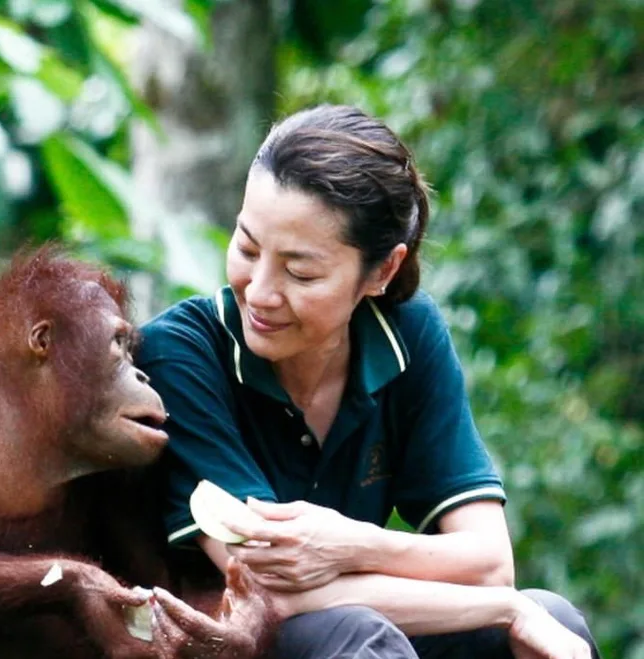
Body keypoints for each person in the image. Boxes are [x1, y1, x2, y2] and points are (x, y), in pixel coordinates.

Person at [136, 104, 599, 659]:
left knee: (554, 619)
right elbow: (265, 590)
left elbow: (489, 562)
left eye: (300, 272)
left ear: (382, 271)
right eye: (247, 247)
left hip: (356, 622)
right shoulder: (180, 352)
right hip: (230, 638)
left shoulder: (408, 332)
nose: (259, 291)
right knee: (370, 635)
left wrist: (350, 543)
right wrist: (506, 608)